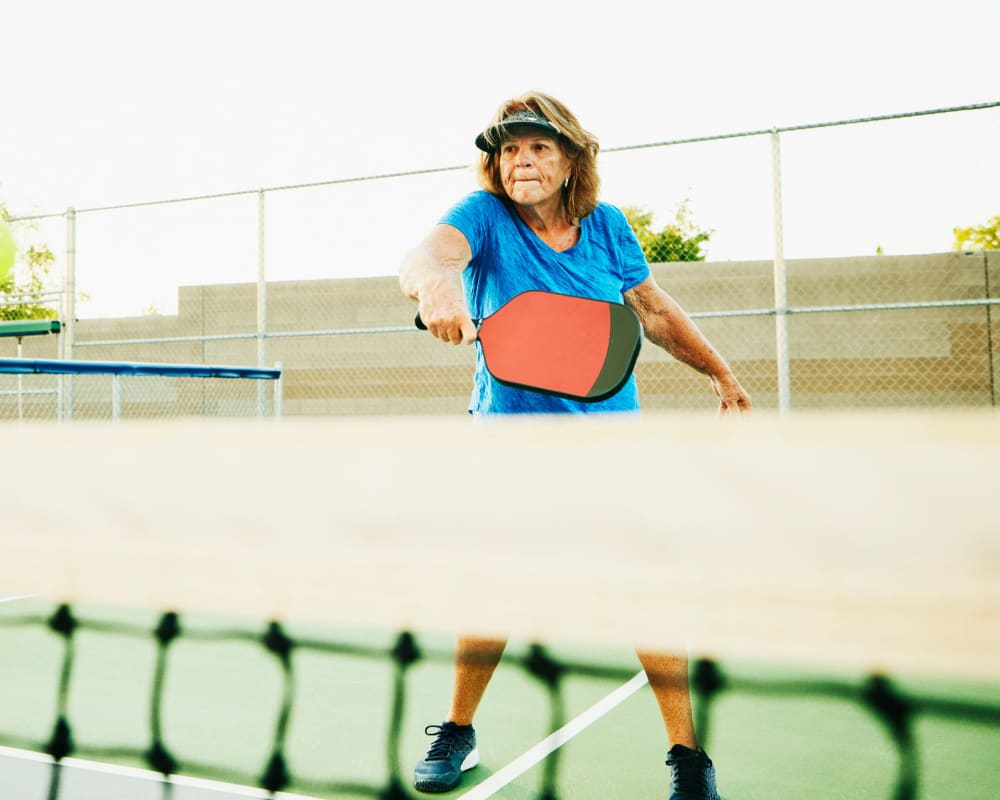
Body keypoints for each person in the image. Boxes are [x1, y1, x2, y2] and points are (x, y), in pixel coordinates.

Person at [398, 91, 751, 800]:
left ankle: (688, 755)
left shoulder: (608, 227)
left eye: (537, 147)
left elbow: (652, 309)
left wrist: (722, 374)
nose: (520, 160)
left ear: (570, 161)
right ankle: (458, 729)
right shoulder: (485, 218)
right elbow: (426, 255)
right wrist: (434, 286)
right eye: (508, 150)